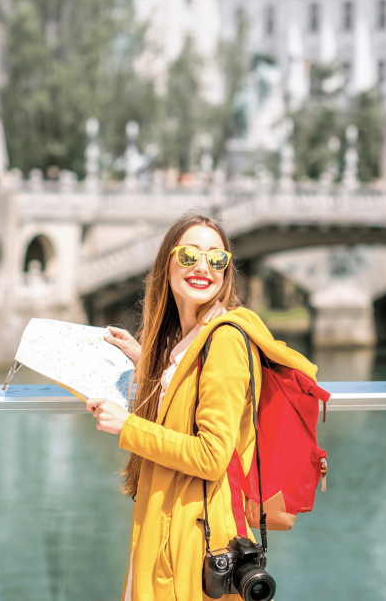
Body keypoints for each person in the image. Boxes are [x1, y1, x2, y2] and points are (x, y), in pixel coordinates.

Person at [87, 212, 316, 601]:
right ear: (168, 262)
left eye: (217, 259)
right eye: (190, 255)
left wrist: (126, 426)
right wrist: (146, 361)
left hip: (193, 538)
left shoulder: (223, 341)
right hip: (174, 526)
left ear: (227, 272)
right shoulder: (192, 338)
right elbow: (189, 397)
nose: (203, 267)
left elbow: (211, 455)